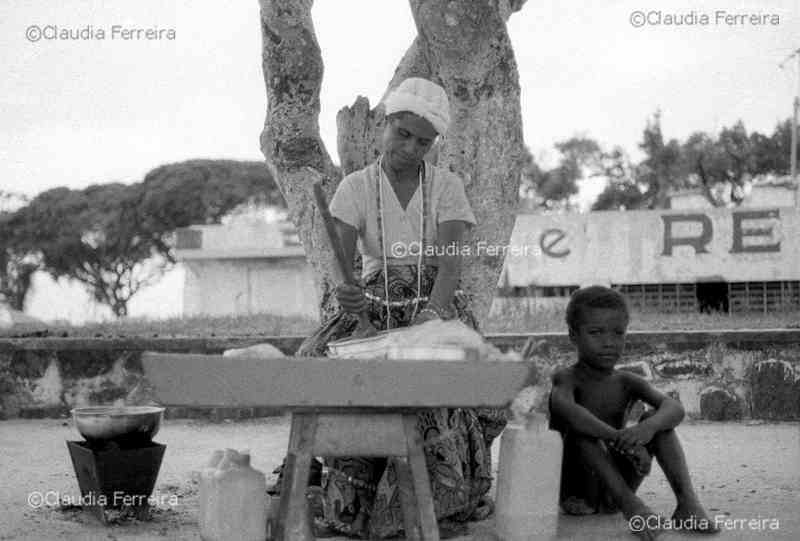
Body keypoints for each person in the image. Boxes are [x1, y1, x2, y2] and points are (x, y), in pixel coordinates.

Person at [291, 77, 506, 539]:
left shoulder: (447, 186)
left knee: (456, 380)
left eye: (423, 141)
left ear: (434, 144)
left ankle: (440, 494)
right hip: (370, 300)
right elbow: (340, 266)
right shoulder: (354, 187)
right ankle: (323, 473)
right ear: (383, 127)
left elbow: (449, 270)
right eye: (402, 134)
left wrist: (428, 324)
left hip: (435, 304)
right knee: (312, 363)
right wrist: (347, 297)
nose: (411, 148)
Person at [548, 286, 718, 540]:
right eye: (596, 332)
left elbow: (674, 408)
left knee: (657, 422)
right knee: (581, 434)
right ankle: (633, 508)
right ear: (573, 336)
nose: (608, 342)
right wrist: (619, 439)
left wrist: (645, 429)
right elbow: (568, 412)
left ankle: (687, 503)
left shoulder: (627, 381)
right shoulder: (567, 379)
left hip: (616, 487)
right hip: (577, 492)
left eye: (618, 333)